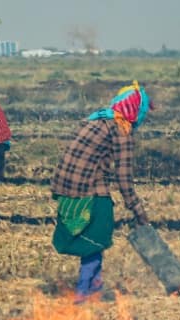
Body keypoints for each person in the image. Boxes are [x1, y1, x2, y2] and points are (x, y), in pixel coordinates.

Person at [50, 81, 153, 302]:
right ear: (136, 110)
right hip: (87, 191)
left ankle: (95, 289)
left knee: (93, 240)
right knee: (95, 238)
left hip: (66, 190)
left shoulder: (98, 119)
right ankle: (83, 294)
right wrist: (138, 211)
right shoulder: (121, 128)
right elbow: (123, 177)